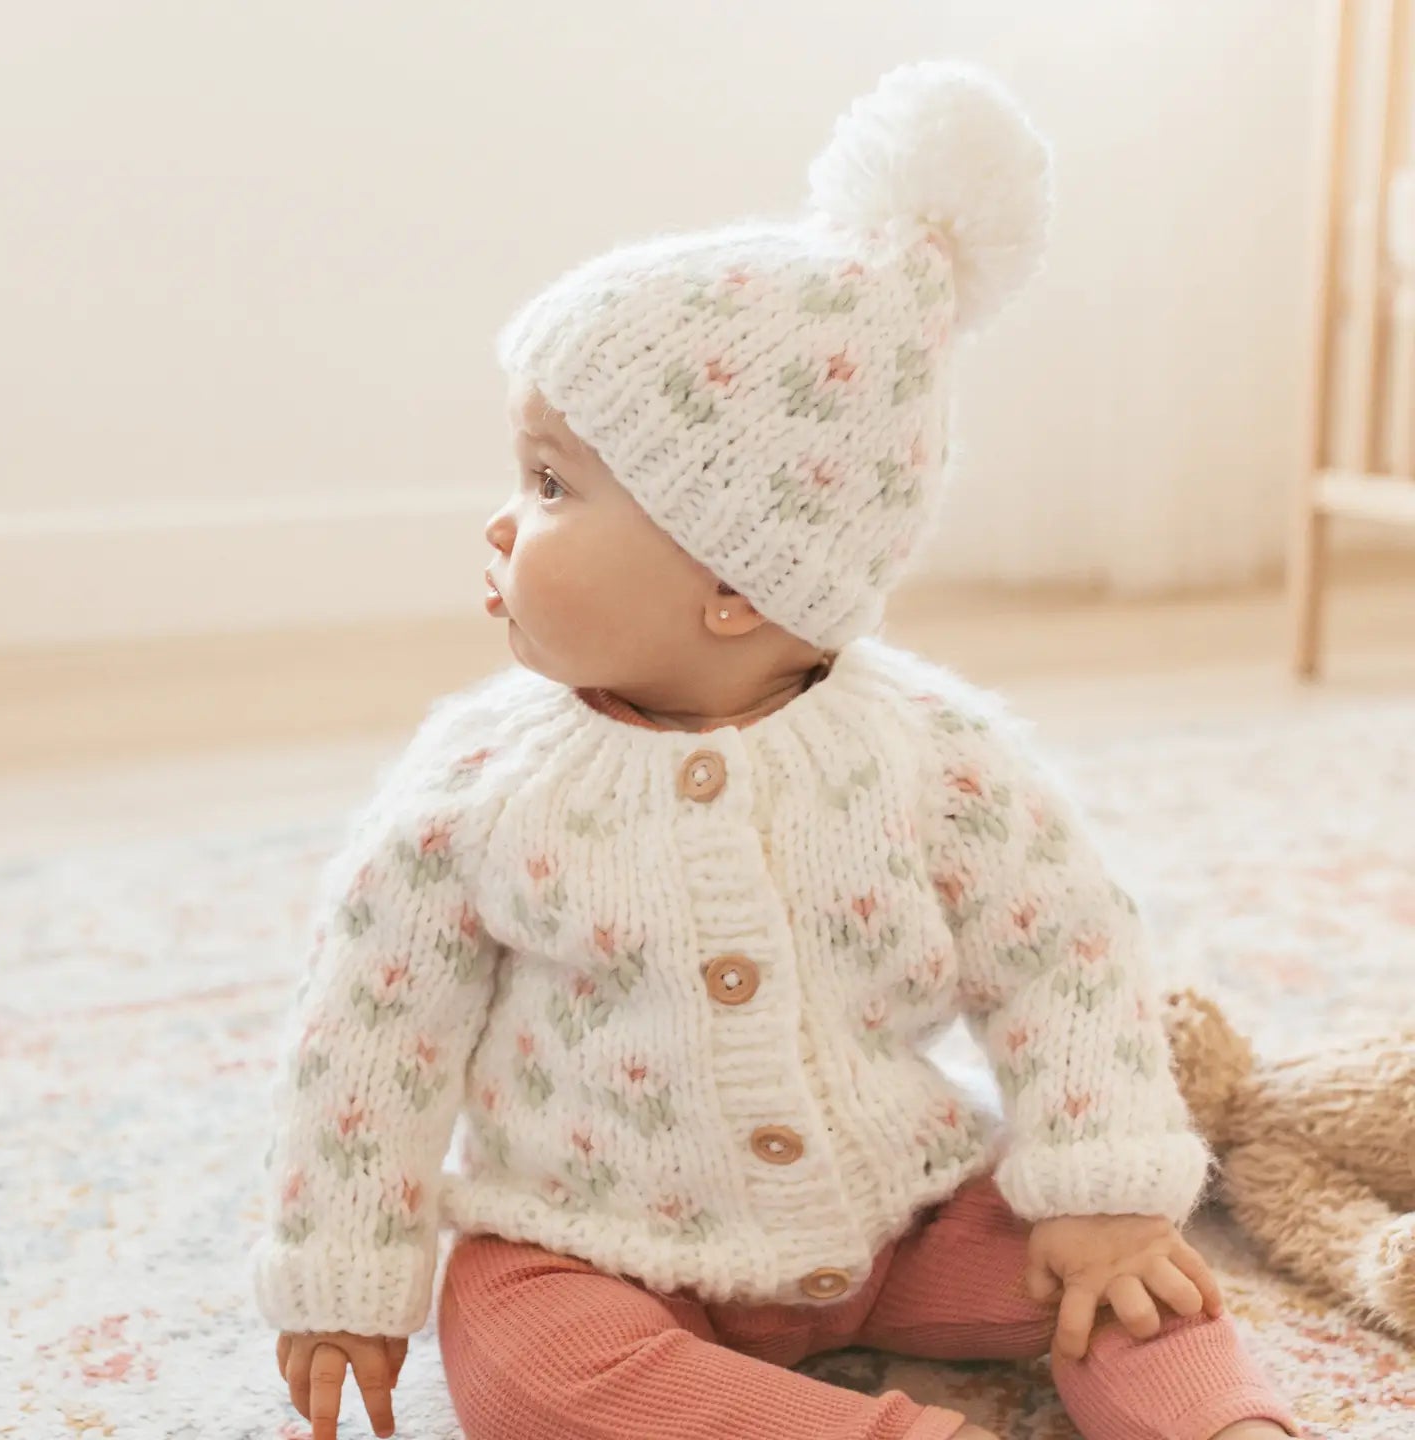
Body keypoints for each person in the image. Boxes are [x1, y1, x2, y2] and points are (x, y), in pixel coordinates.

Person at [253, 58, 1301, 1440]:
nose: (503, 527)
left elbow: (1064, 951)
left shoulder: (932, 758)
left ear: (739, 582)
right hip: (589, 1233)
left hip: (901, 1214)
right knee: (518, 1357)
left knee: (1129, 1278)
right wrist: (344, 1274)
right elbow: (371, 1033)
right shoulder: (479, 790)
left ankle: (1221, 1425)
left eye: (553, 484)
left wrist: (1102, 1186)